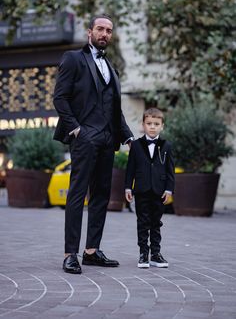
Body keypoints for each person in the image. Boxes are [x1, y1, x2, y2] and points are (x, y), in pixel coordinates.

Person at [53, 14, 134, 274]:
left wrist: (128, 136)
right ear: (90, 32)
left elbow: (114, 109)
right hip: (84, 138)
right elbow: (60, 98)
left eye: (109, 30)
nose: (105, 34)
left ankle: (91, 251)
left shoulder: (112, 68)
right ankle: (70, 254)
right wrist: (76, 129)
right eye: (100, 29)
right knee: (77, 194)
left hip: (108, 139)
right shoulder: (74, 59)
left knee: (101, 196)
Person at [125, 108, 175, 268]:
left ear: (162, 126)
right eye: (149, 123)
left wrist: (169, 189)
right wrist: (128, 188)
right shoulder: (136, 145)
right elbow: (130, 169)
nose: (152, 127)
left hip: (159, 192)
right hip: (141, 190)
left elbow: (170, 170)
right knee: (143, 222)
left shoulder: (166, 146)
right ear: (143, 125)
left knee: (156, 223)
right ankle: (143, 254)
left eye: (156, 124)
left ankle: (155, 254)